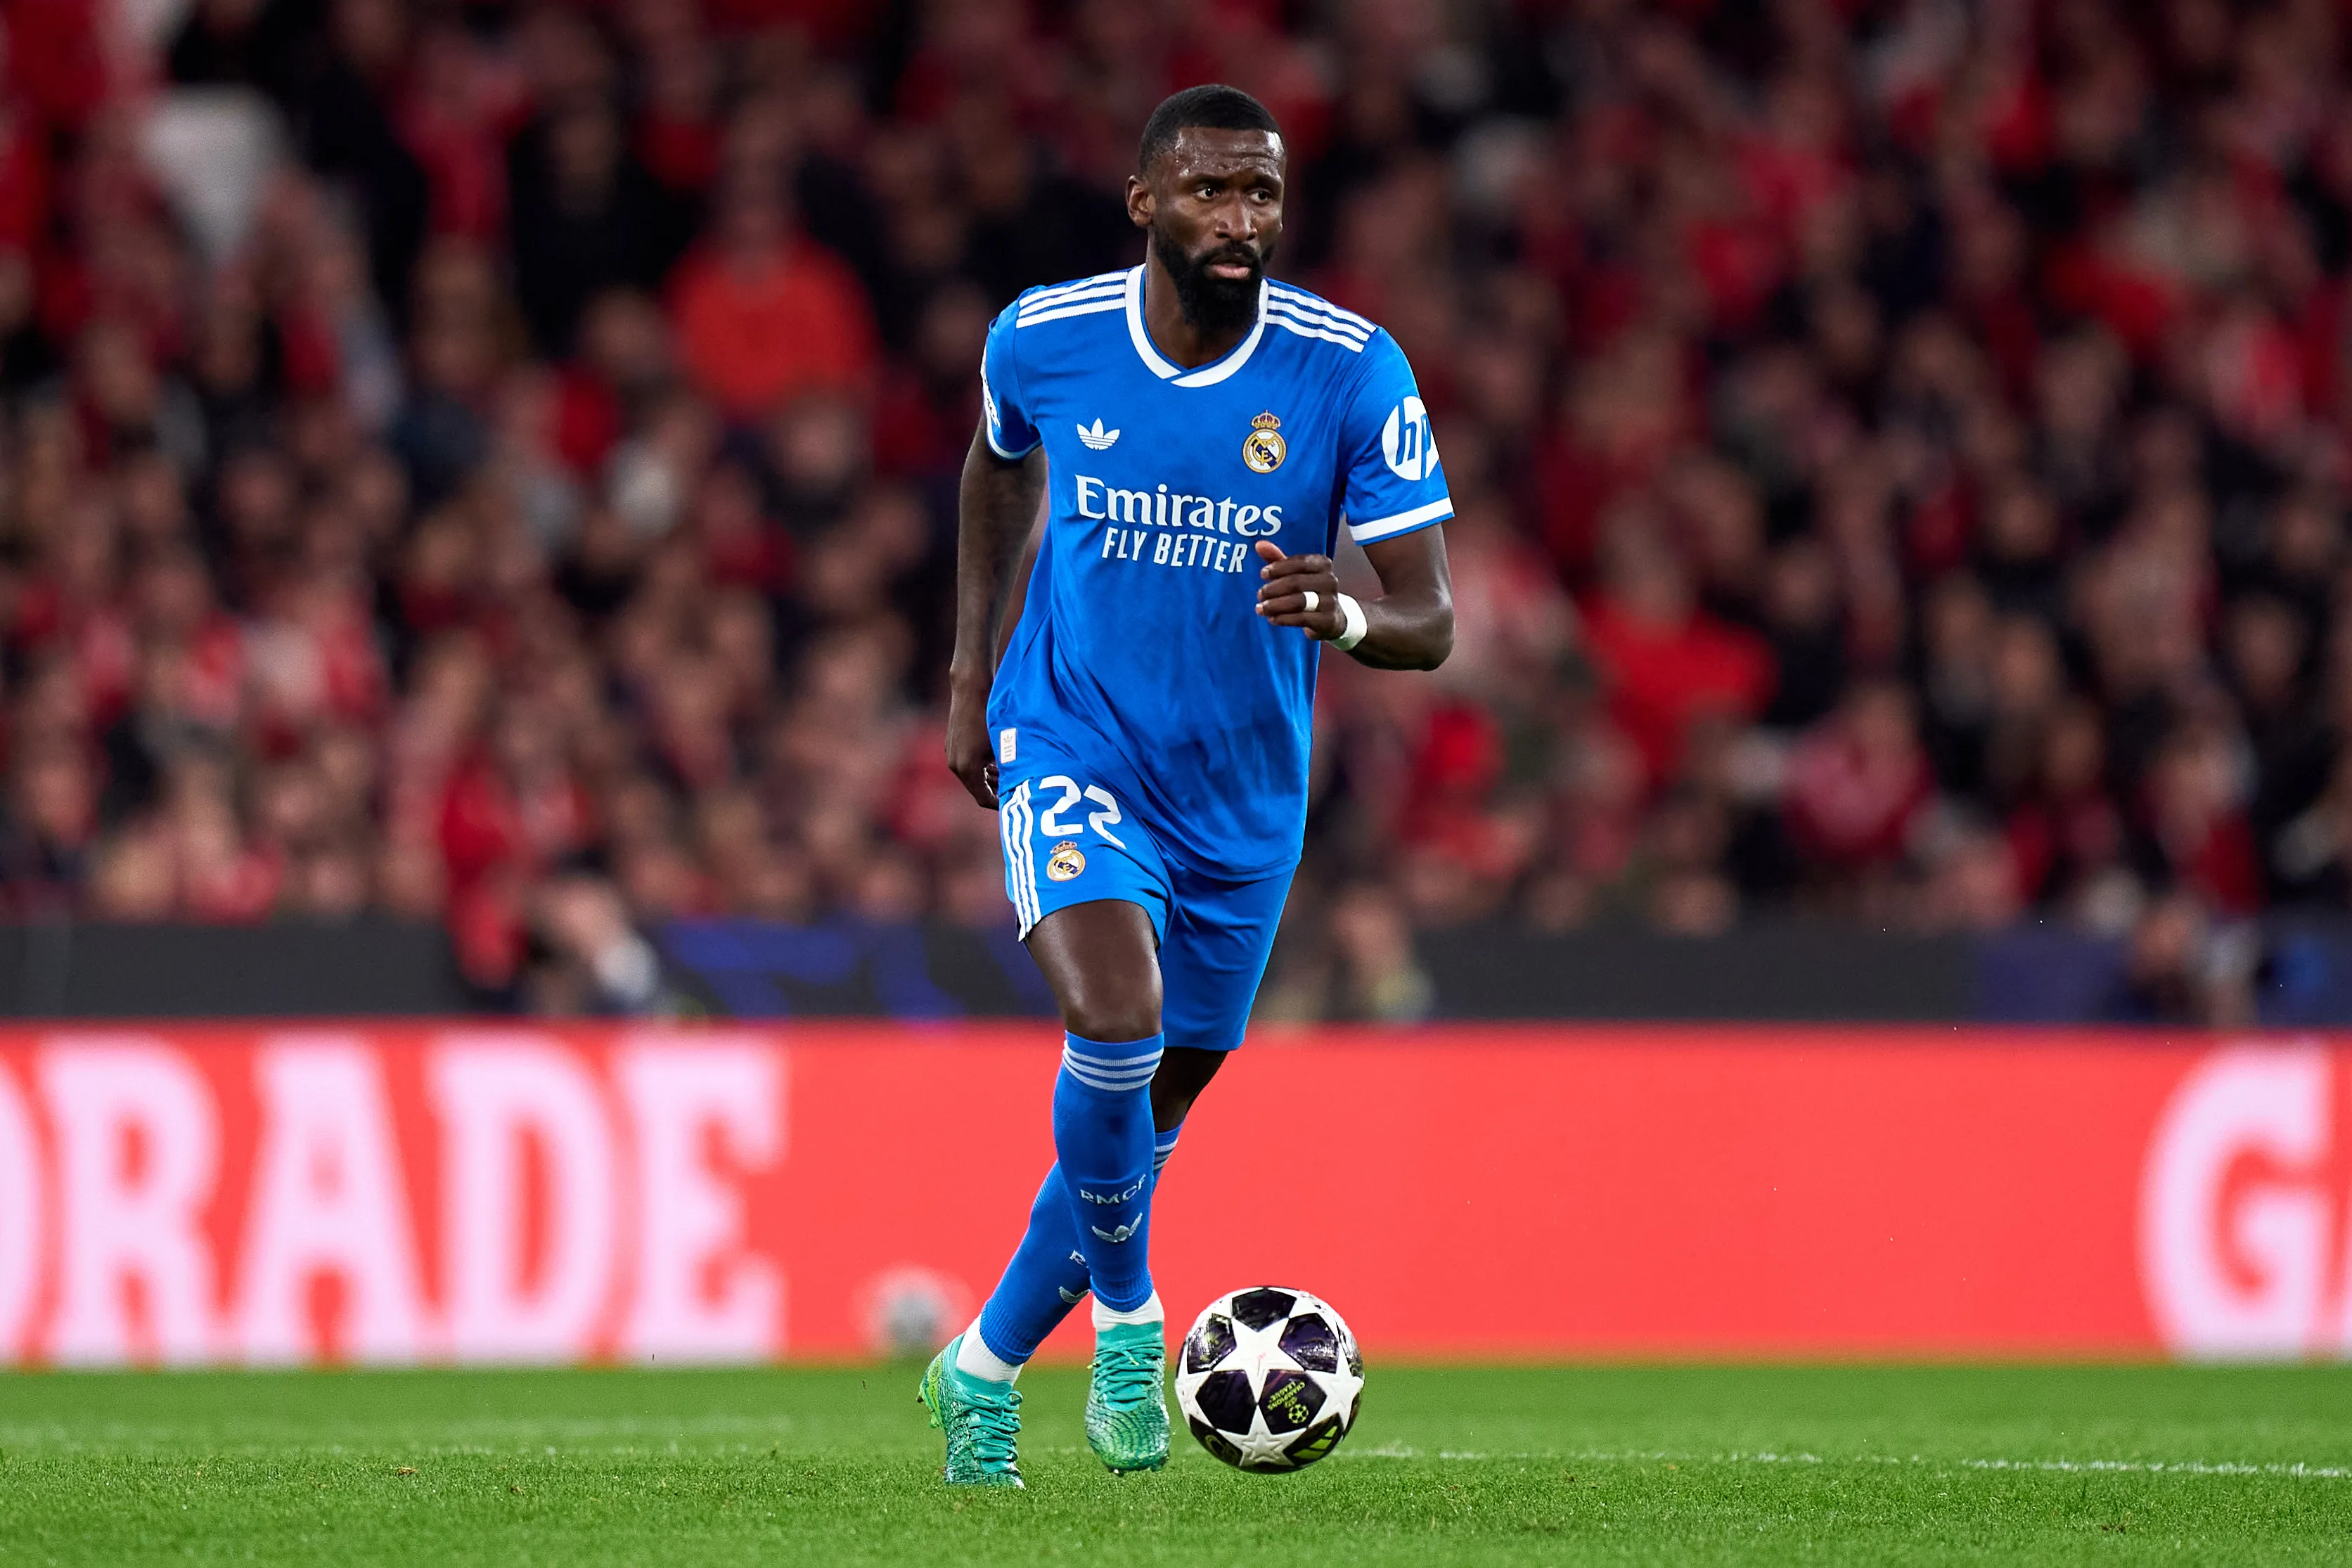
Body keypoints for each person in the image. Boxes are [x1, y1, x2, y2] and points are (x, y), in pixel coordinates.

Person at [923, 84, 1455, 1487]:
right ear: (1144, 202)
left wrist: (1342, 613)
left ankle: (978, 1364)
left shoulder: (1350, 370)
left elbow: (1431, 615)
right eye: (1213, 191)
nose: (1241, 220)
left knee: (1145, 1113)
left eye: (1263, 194)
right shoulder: (1044, 337)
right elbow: (994, 467)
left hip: (1242, 803)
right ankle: (1127, 1326)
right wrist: (975, 675)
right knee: (1114, 1016)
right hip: (1074, 737)